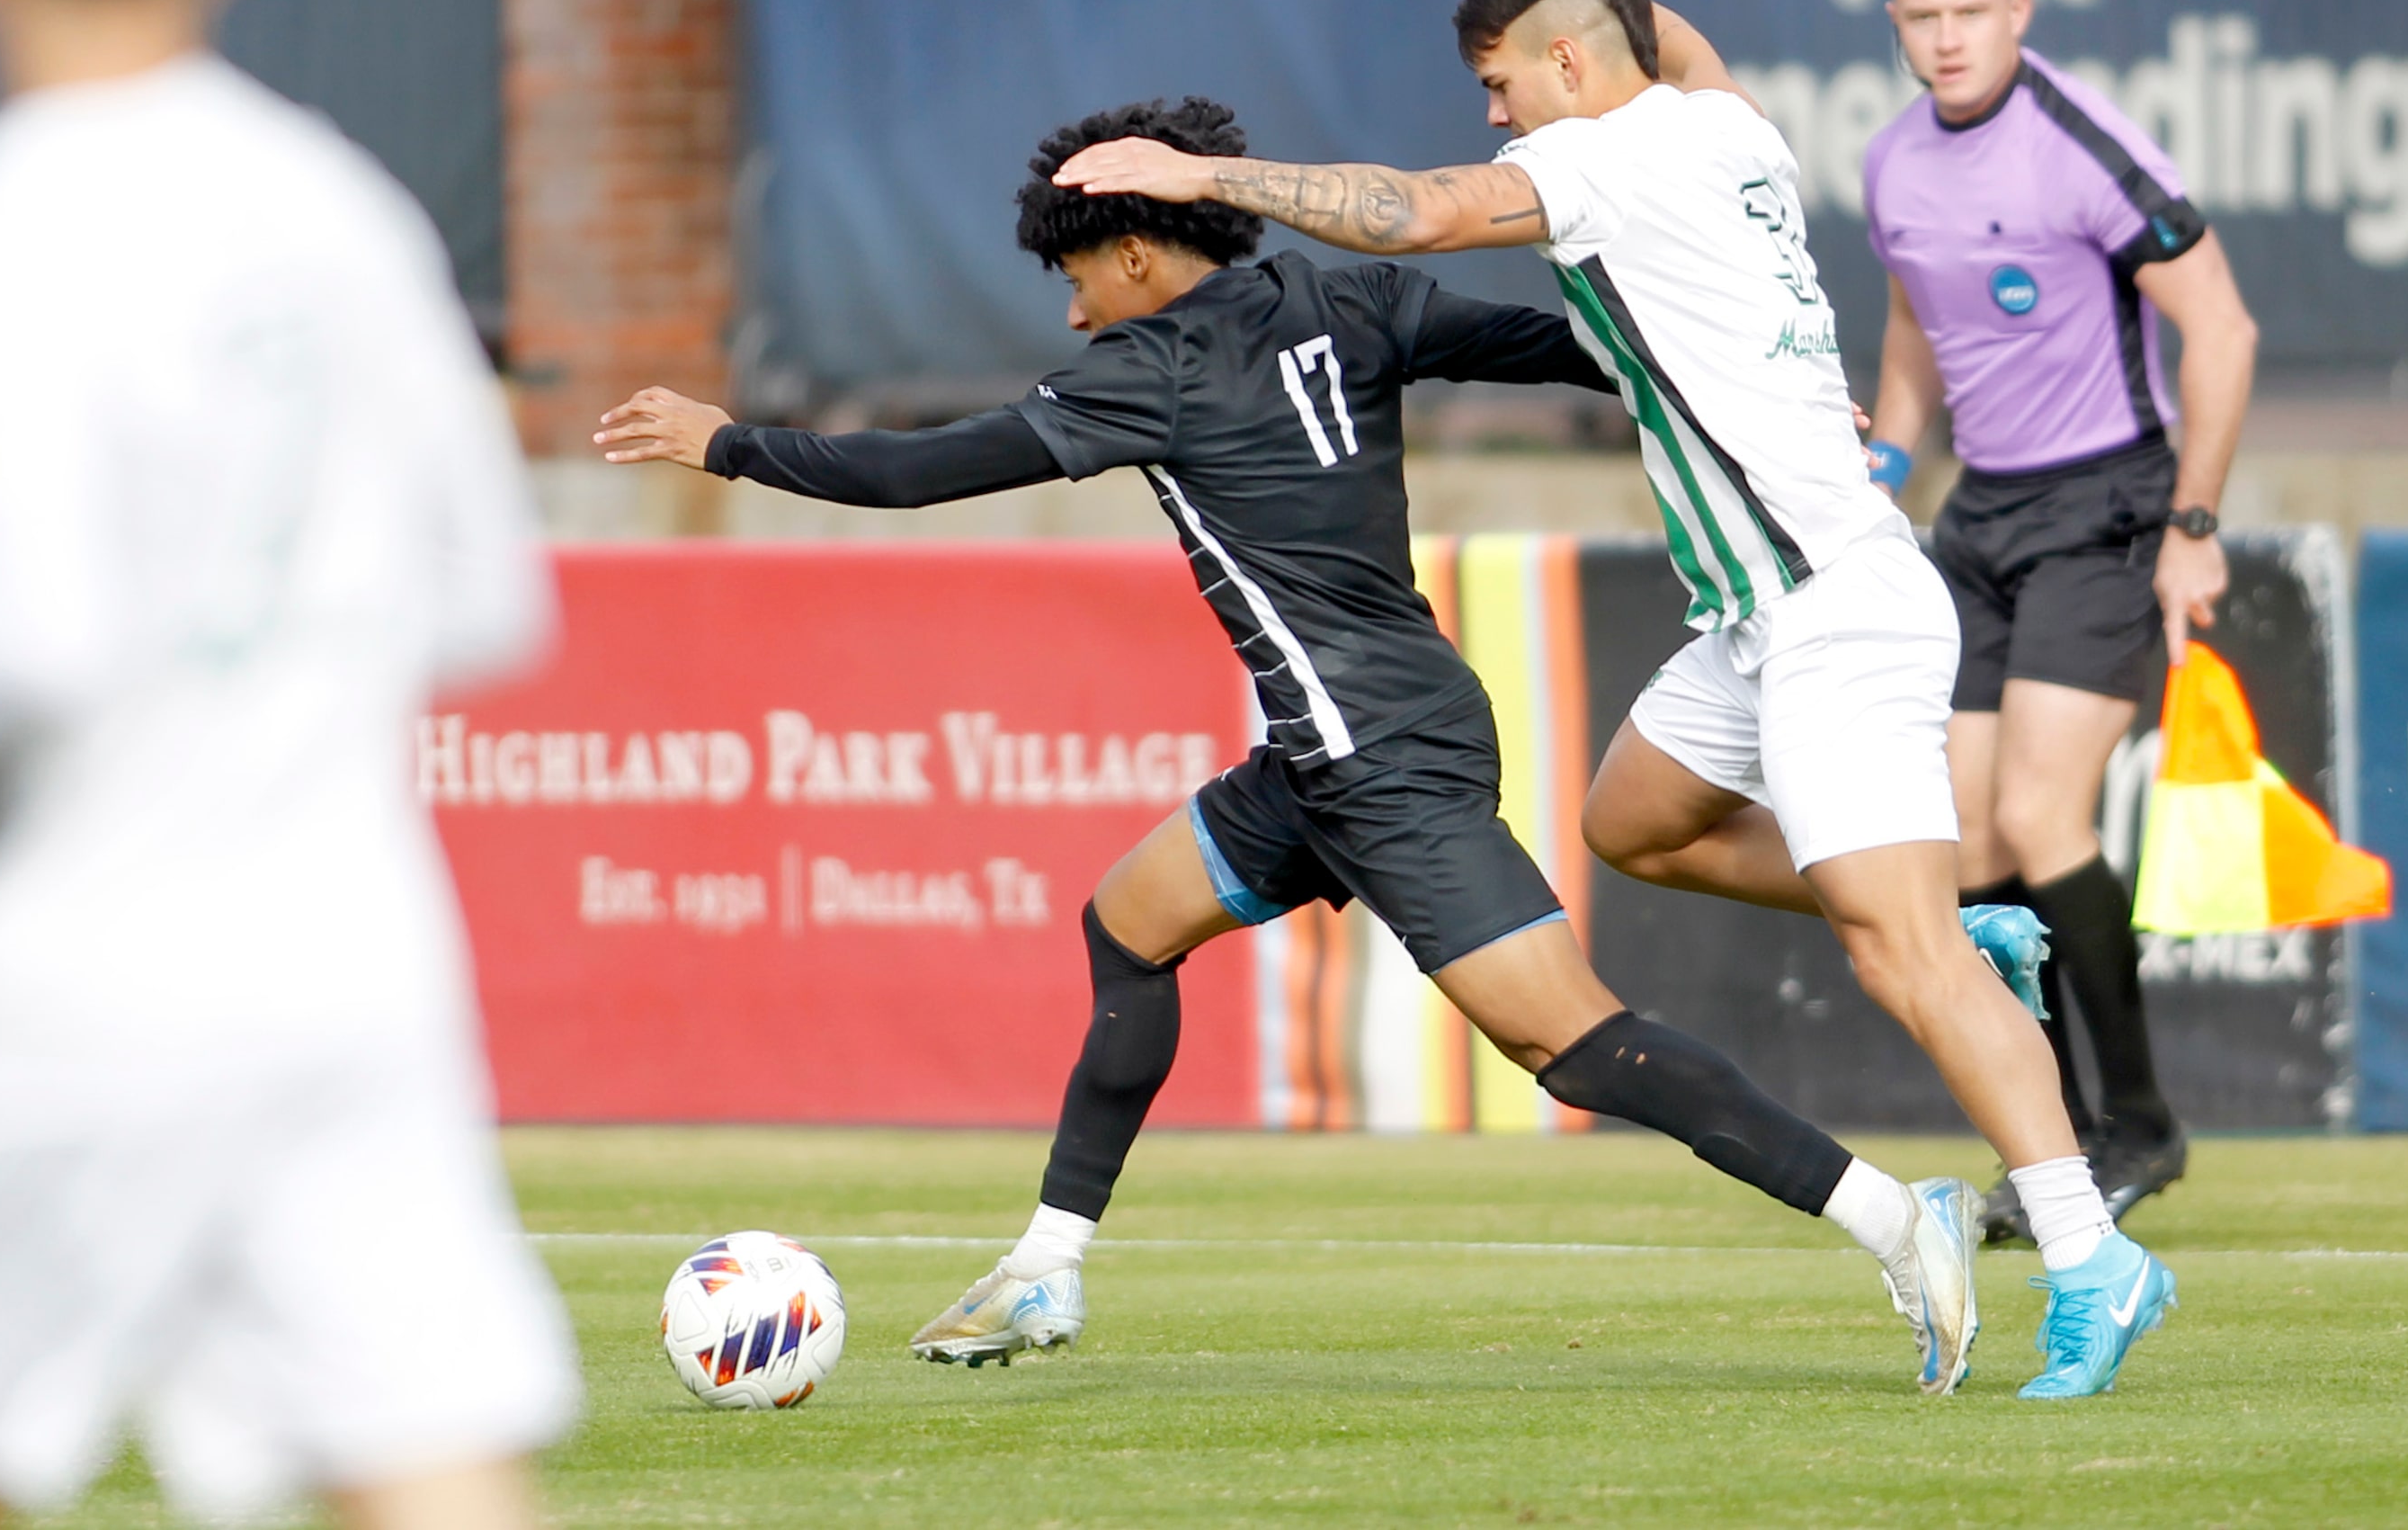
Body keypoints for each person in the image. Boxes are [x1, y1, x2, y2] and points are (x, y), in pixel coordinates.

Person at [600, 95, 1995, 1396]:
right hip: (1323, 753)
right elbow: (1565, 346)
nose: (1074, 309)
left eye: (1076, 276)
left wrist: (727, 445)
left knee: (1573, 1047)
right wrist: (1750, 398)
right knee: (1129, 923)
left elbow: (911, 470)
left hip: (1380, 759)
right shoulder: (1352, 293)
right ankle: (1045, 1268)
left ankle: (1892, 1213)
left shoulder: (1147, 371)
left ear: (1138, 252)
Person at [1048, 0, 2175, 1400]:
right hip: (1754, 615)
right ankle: (1929, 908)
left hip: (1828, 606)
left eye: (1502, 81)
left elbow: (1417, 210)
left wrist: (1203, 176)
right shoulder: (1726, 124)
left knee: (1898, 954)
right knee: (1634, 819)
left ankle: (2091, 1258)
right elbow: (1669, 49)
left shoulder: (1607, 161)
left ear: (1569, 67)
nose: (1500, 115)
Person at [0, 0, 575, 1526]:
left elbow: (35, 635)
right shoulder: (346, 210)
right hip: (348, 967)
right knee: (437, 1475)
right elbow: (490, 603)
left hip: (83, 976)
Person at [1864, 0, 2257, 1239]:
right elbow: (1915, 325)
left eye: (1968, 13)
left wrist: (2191, 521)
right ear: (1898, 26)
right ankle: (2058, 1151)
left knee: (2040, 823)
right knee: (1966, 852)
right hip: (1977, 514)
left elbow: (2221, 325)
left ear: (2017, 13)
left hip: (2106, 499)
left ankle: (2137, 1124)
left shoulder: (2083, 143)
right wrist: (1882, 469)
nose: (1946, 39)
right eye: (1921, 18)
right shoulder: (1890, 163)